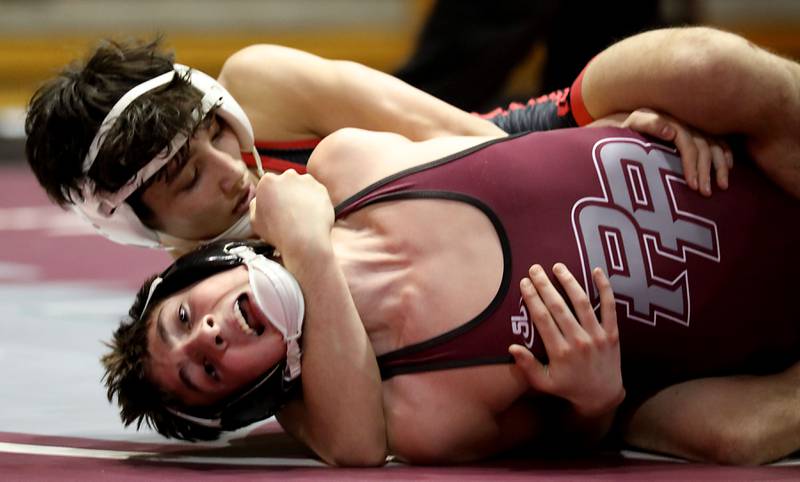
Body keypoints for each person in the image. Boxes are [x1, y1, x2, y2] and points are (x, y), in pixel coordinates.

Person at [103, 111, 800, 467]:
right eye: (206, 370)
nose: (210, 335)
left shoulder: (348, 162)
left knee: (705, 69)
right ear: (250, 395)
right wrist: (595, 400)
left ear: (206, 265)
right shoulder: (420, 408)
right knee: (733, 437)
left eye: (185, 317)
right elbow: (570, 440)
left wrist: (624, 112)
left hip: (729, 159)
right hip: (762, 331)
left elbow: (506, 127)